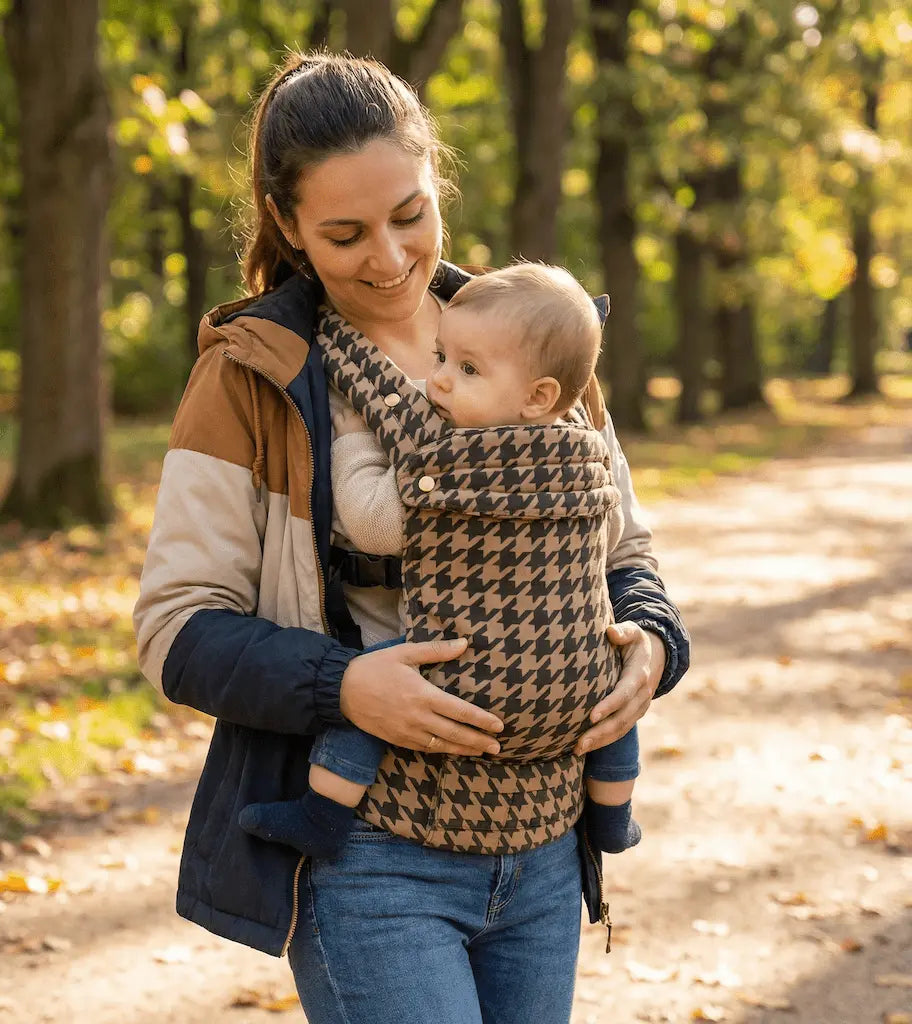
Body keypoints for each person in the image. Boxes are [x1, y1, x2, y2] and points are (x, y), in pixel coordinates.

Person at [134, 51, 689, 1024]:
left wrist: (650, 645)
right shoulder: (250, 378)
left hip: (543, 843)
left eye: (409, 216)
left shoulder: (534, 340)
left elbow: (625, 557)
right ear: (288, 224)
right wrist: (341, 685)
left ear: (436, 183)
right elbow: (176, 632)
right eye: (344, 234)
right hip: (365, 851)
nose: (389, 259)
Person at [238, 262, 642, 861]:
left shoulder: (453, 458)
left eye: (469, 369)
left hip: (462, 679)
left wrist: (353, 436)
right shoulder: (584, 449)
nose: (439, 383)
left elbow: (375, 525)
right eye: (441, 358)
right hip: (572, 681)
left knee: (366, 685)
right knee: (613, 706)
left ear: (539, 396)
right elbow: (611, 539)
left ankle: (322, 812)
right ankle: (613, 815)